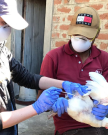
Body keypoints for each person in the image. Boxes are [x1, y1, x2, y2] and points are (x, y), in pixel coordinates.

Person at [0, 0, 89, 135]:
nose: (8, 30)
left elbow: (27, 77)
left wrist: (64, 84)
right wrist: (37, 107)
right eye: (5, 23)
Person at [37, 6, 108, 135]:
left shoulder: (104, 58)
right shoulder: (53, 57)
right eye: (76, 34)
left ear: (97, 34)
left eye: (85, 35)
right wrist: (52, 104)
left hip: (100, 122)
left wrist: (105, 106)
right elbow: (41, 96)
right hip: (69, 127)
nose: (80, 39)